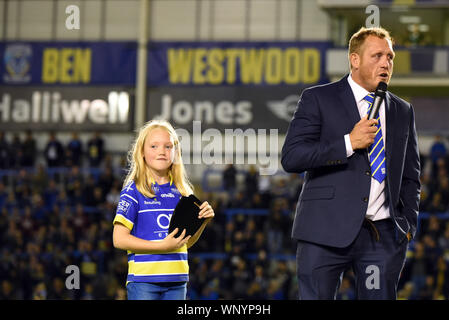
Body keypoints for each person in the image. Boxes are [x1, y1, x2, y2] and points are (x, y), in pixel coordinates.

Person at [281, 27, 421, 300]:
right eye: (377, 55)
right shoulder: (318, 98)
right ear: (354, 60)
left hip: (381, 237)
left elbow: (411, 175)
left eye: (390, 57)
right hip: (324, 232)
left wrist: (406, 226)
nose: (386, 63)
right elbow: (292, 157)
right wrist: (348, 143)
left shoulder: (403, 110)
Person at [112, 120, 214, 300]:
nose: (161, 151)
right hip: (144, 281)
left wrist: (202, 221)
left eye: (168, 146)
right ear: (142, 152)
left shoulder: (184, 193)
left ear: (176, 153)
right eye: (154, 146)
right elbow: (119, 239)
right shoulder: (133, 190)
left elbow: (184, 242)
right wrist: (161, 246)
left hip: (177, 280)